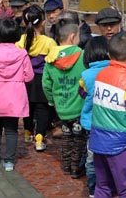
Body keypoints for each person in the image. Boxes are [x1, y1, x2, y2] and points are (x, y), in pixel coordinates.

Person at [89, 31, 126, 198]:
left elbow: (83, 91)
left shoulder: (101, 75)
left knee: (103, 186)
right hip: (122, 144)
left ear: (109, 55)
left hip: (98, 140)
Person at [0, 18, 34, 172]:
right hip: (15, 96)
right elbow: (29, 76)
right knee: (11, 129)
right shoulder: (22, 53)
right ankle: (9, 161)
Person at [42, 18, 86, 178]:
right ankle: (76, 168)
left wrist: (52, 101)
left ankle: (66, 165)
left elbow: (46, 84)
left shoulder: (50, 59)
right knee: (79, 139)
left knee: (67, 137)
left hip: (61, 107)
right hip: (79, 107)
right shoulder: (82, 55)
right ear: (73, 37)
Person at [16, 4, 58, 151]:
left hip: (25, 80)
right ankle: (39, 137)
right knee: (42, 109)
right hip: (42, 80)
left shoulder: (20, 41)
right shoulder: (49, 42)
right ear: (42, 22)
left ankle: (27, 132)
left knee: (27, 107)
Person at [78, 36, 110, 197]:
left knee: (92, 159)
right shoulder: (115, 72)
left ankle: (93, 189)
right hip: (112, 125)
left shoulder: (86, 76)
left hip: (92, 125)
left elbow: (82, 93)